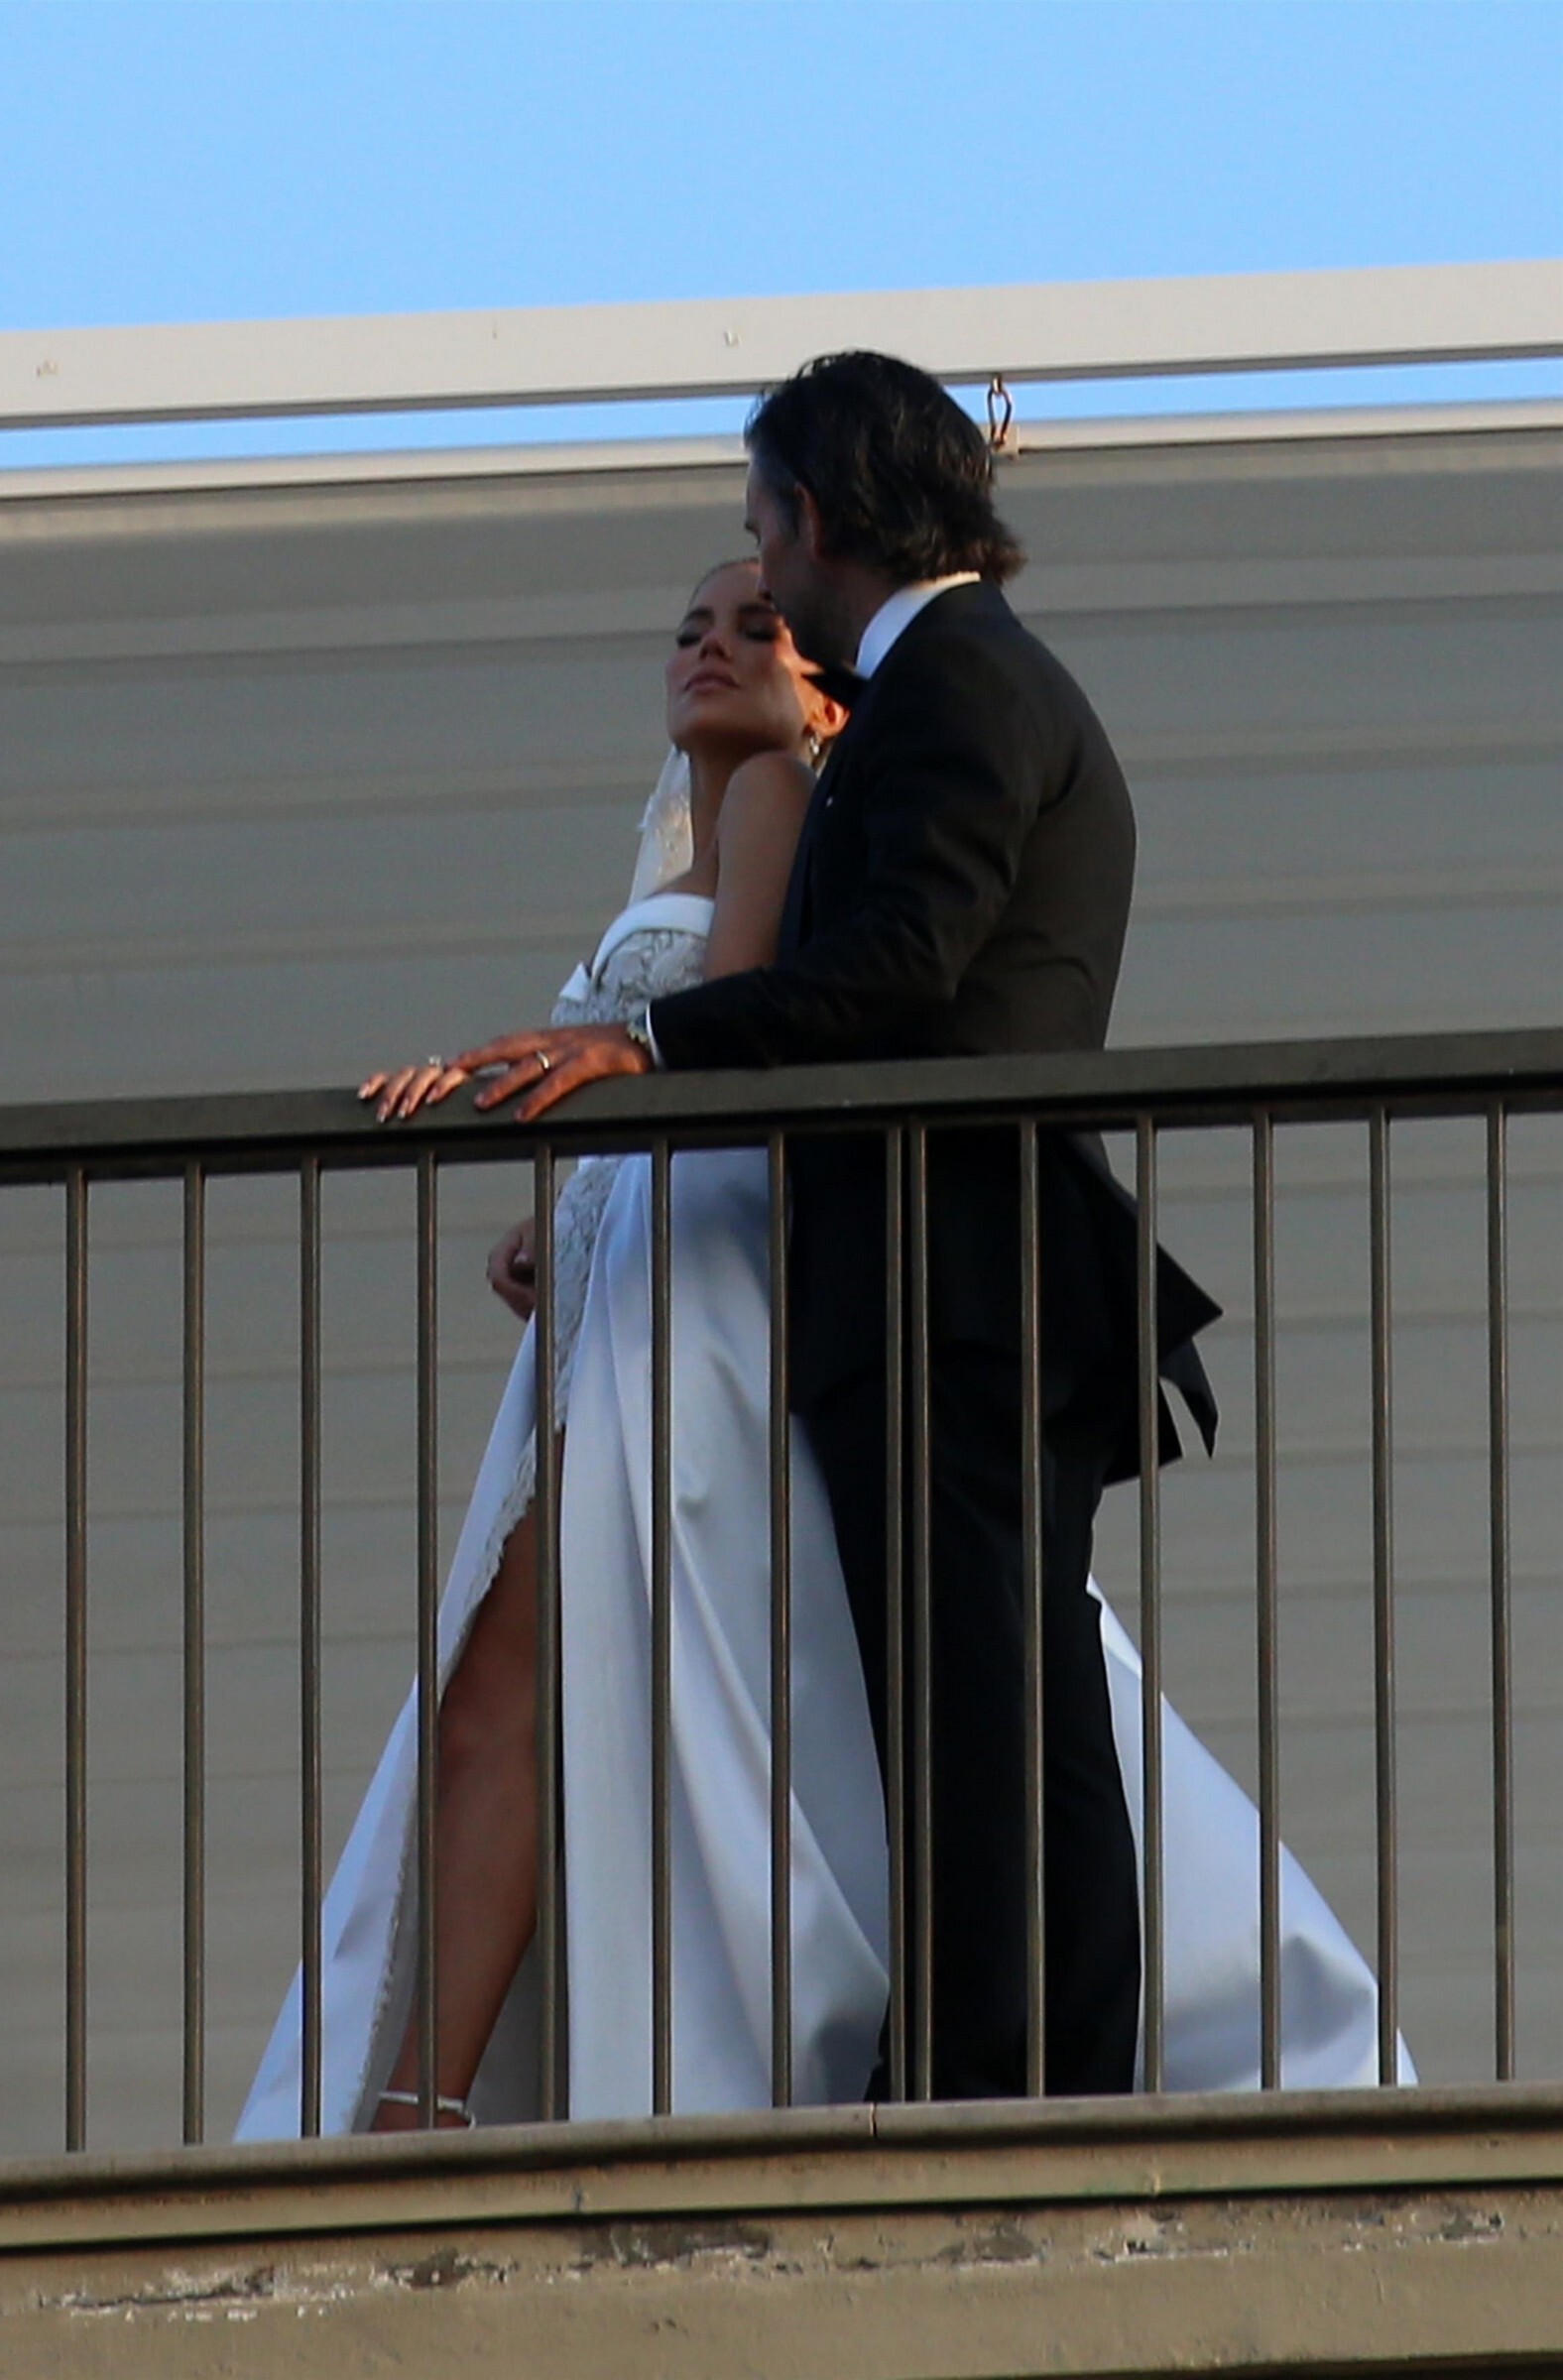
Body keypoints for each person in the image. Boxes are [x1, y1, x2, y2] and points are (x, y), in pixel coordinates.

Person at [237, 552, 1403, 2144]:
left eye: (756, 625)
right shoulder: (706, 830)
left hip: (702, 1278)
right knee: (563, 1678)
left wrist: (552, 1105)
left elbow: (731, 1048)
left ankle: (431, 2102)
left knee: (570, 1675)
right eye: (687, 629)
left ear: (824, 690)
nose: (710, 647)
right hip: (634, 1267)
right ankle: (423, 2100)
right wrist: (570, 1203)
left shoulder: (785, 796)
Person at [443, 353, 1222, 2104]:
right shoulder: (956, 679)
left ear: (814, 515)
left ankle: (1006, 2071)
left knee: (988, 1700)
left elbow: (904, 962)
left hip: (962, 1266)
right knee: (978, 1697)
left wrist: (647, 1045)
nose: (760, 569)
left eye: (762, 526)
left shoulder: (959, 683)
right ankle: (995, 2055)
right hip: (942, 1268)